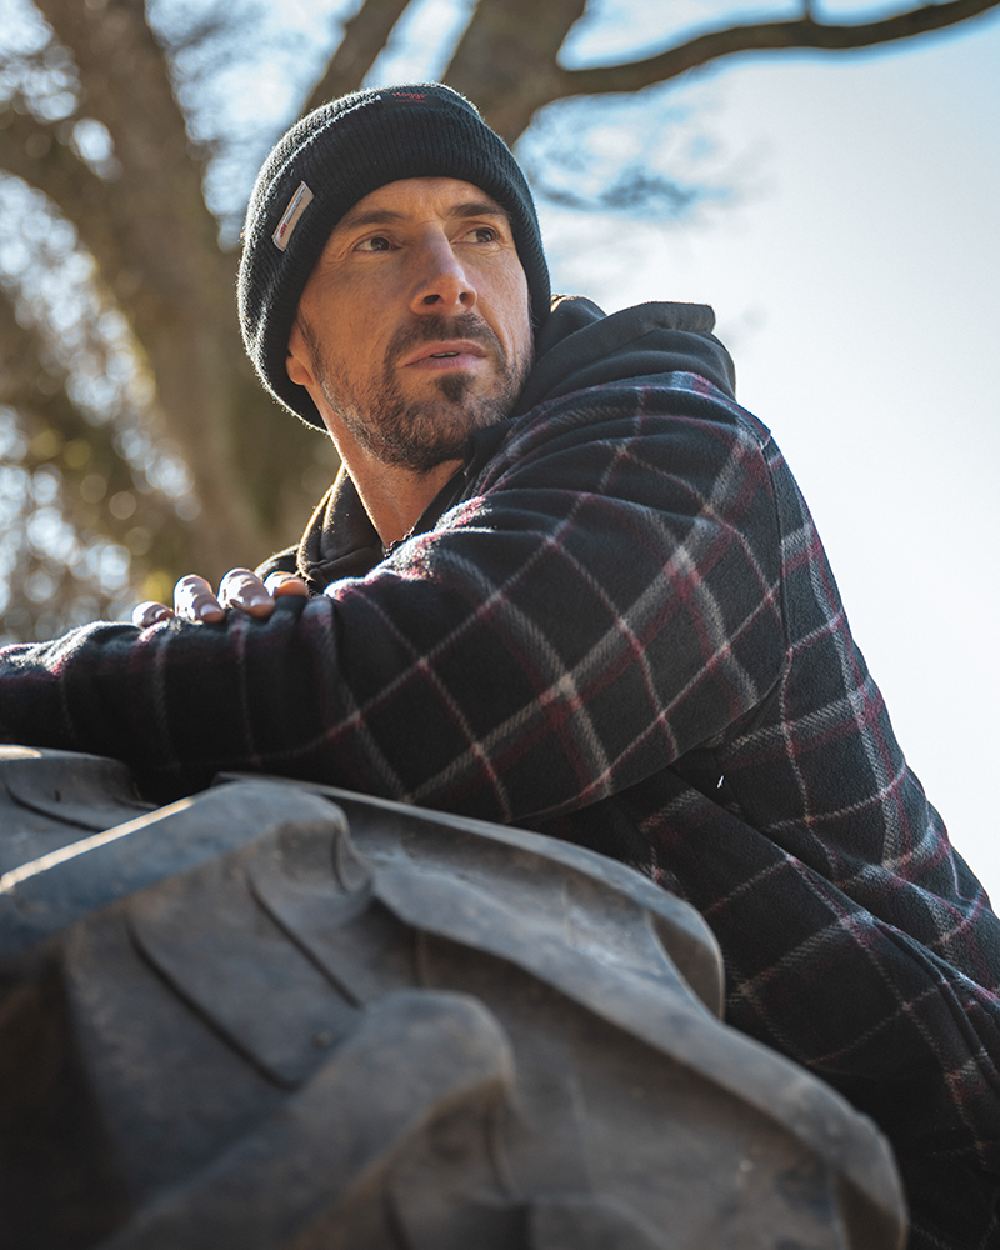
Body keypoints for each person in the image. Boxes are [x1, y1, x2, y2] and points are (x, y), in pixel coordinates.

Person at [1, 84, 997, 1247]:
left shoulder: (672, 445)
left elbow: (449, 676)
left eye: (481, 231)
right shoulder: (302, 604)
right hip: (594, 1168)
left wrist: (65, 679)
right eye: (378, 241)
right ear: (296, 351)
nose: (448, 277)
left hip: (935, 1164)